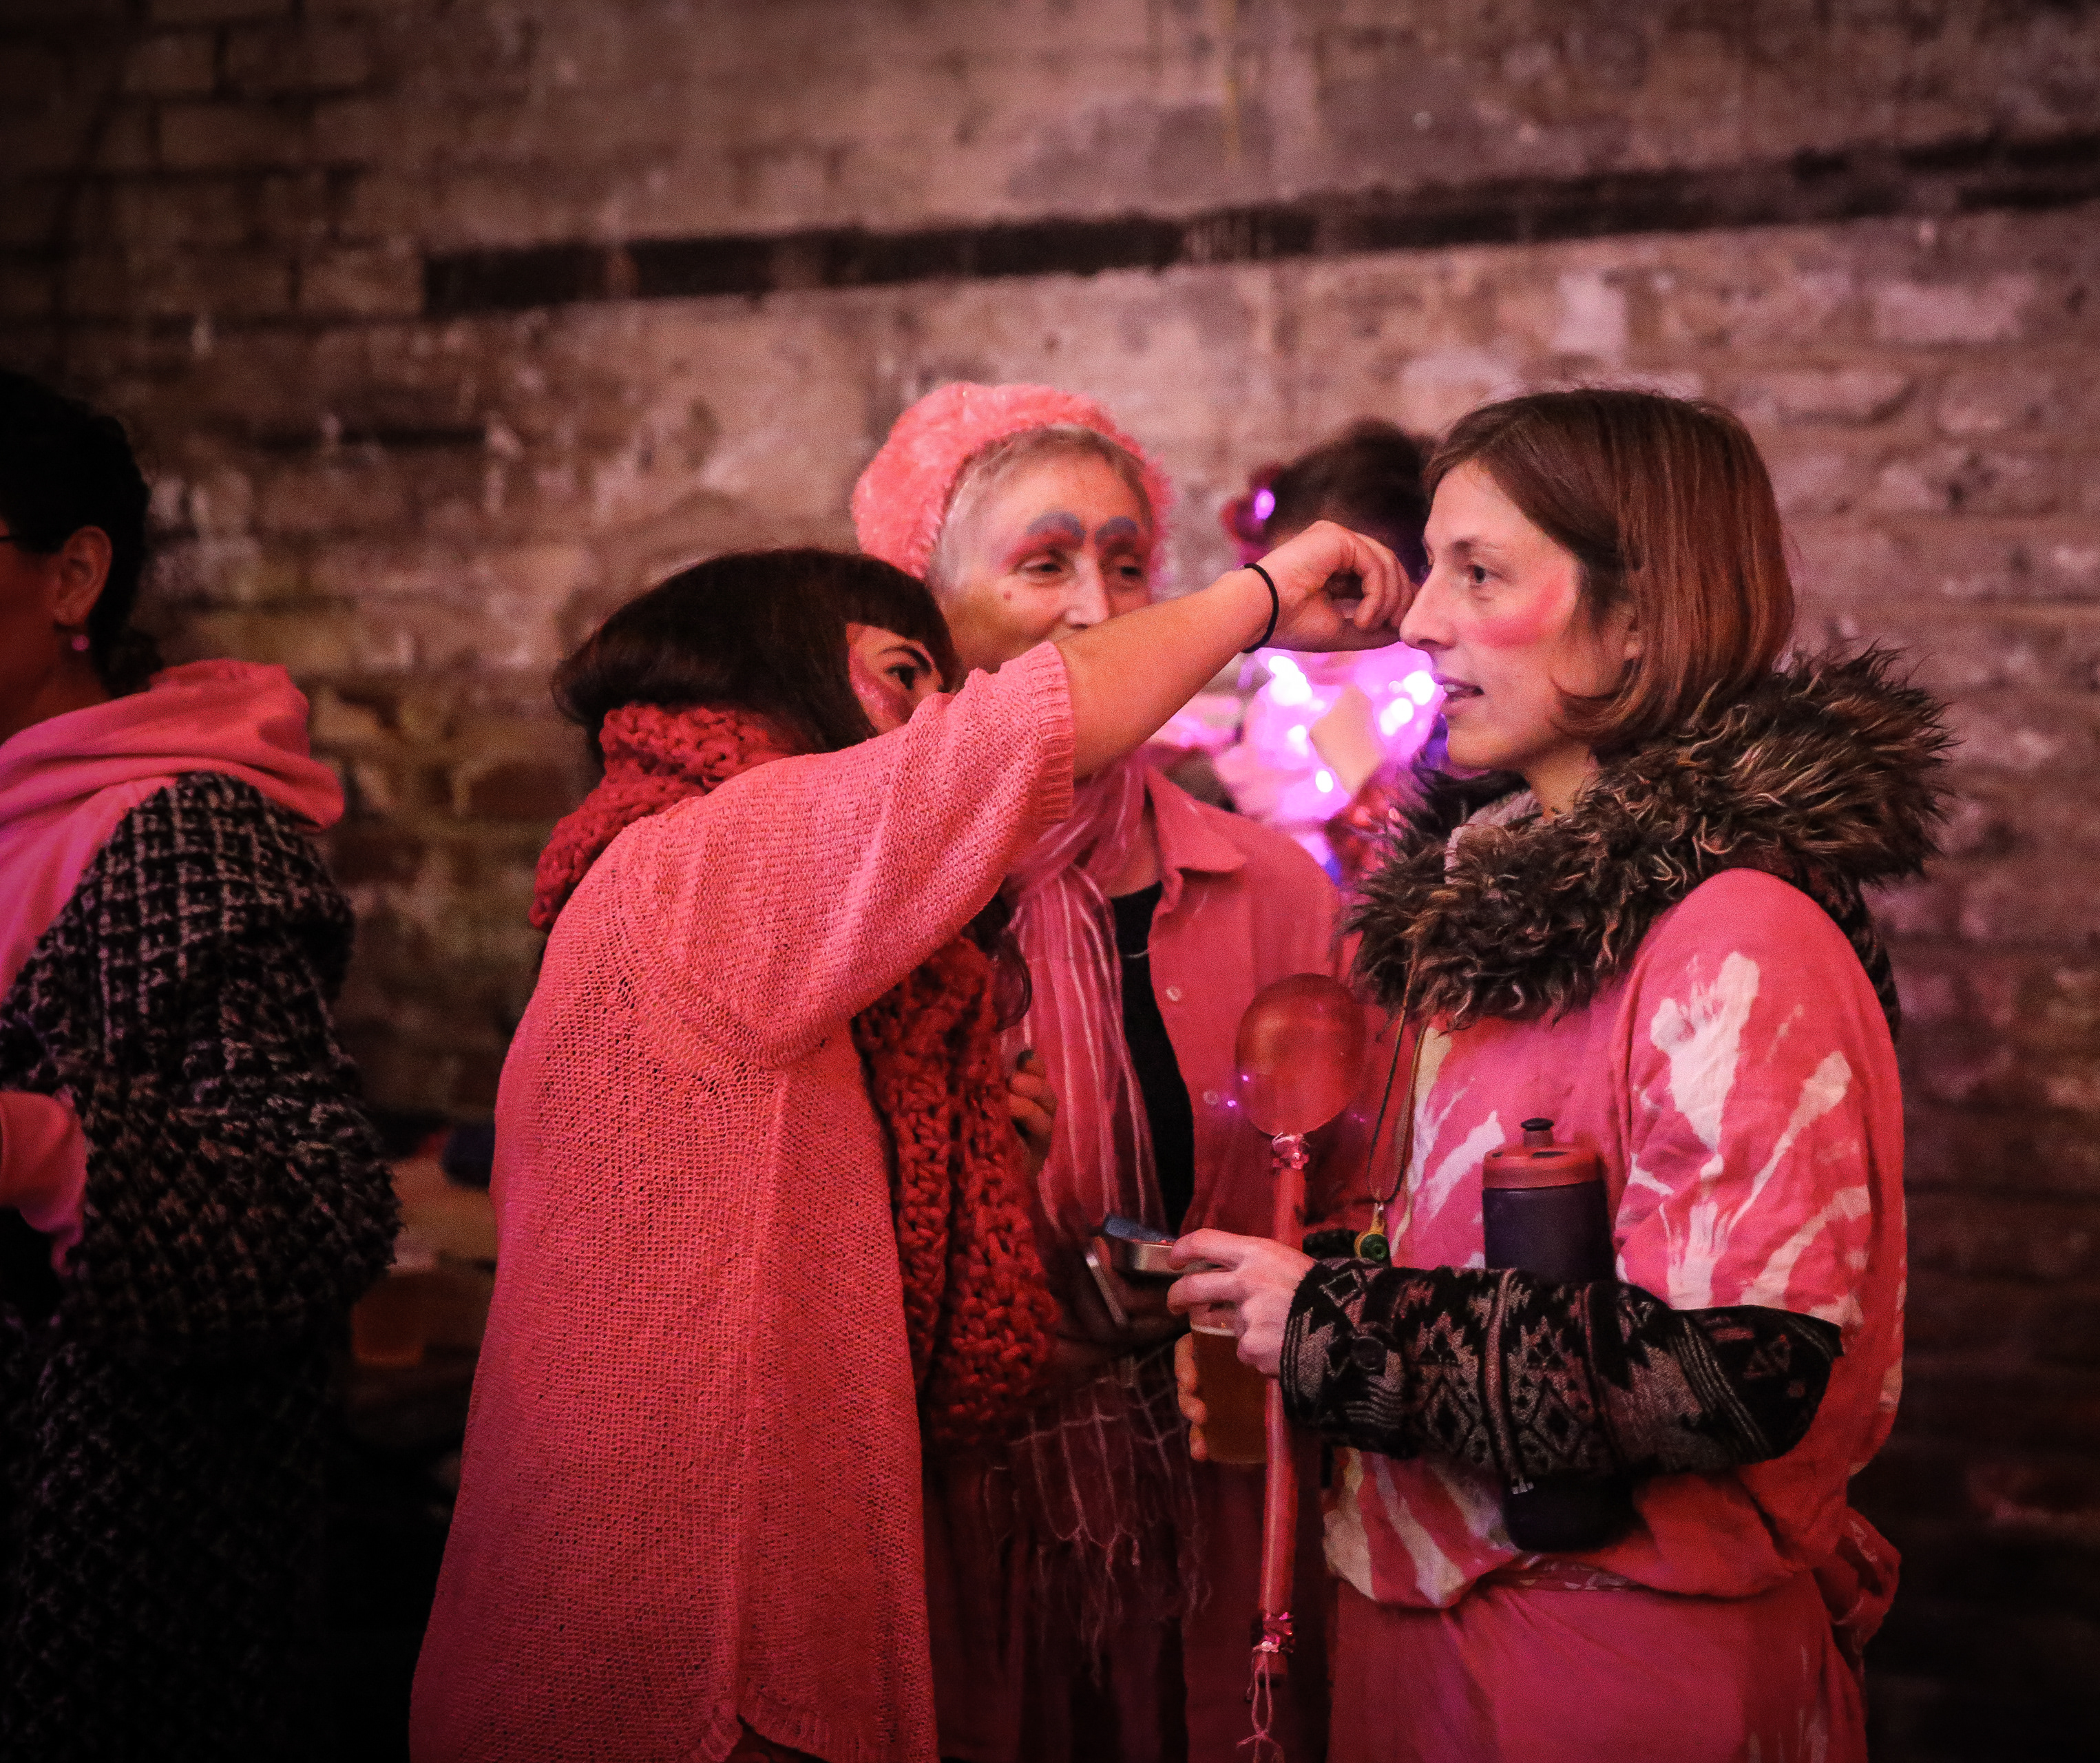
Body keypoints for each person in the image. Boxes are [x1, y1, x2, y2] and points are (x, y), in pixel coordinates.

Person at [412, 521, 1409, 1763]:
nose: (935, 719)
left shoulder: (739, 912)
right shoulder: (694, 864)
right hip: (685, 1656)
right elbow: (1023, 730)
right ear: (778, 669)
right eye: (905, 677)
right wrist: (1261, 596)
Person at [1167, 388, 1950, 1763]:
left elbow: (1729, 1368)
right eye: (1434, 570)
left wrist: (1339, 1330)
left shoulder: (1736, 934)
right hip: (1437, 1629)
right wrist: (1297, 1283)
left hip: (1610, 1655)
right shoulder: (1492, 899)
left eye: (1480, 574)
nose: (1421, 622)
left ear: (1638, 616)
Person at [851, 382, 1342, 1763]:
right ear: (926, 613)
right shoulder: (871, 898)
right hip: (943, 1520)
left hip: (1220, 1514)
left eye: (1128, 565)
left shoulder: (1274, 886)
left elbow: (1356, 1202)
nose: (1096, 607)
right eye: (1043, 562)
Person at [0, 370, 399, 1757]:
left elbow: (319, 1206)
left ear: (73, 576)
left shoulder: (178, 830)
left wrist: (33, 1147)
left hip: (95, 1557)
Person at [1214, 421, 1441, 878]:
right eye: (1291, 596)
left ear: (1423, 577)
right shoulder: (1267, 720)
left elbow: (1444, 888)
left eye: (1352, 592)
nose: (1315, 631)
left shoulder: (1452, 725)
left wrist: (1365, 778)